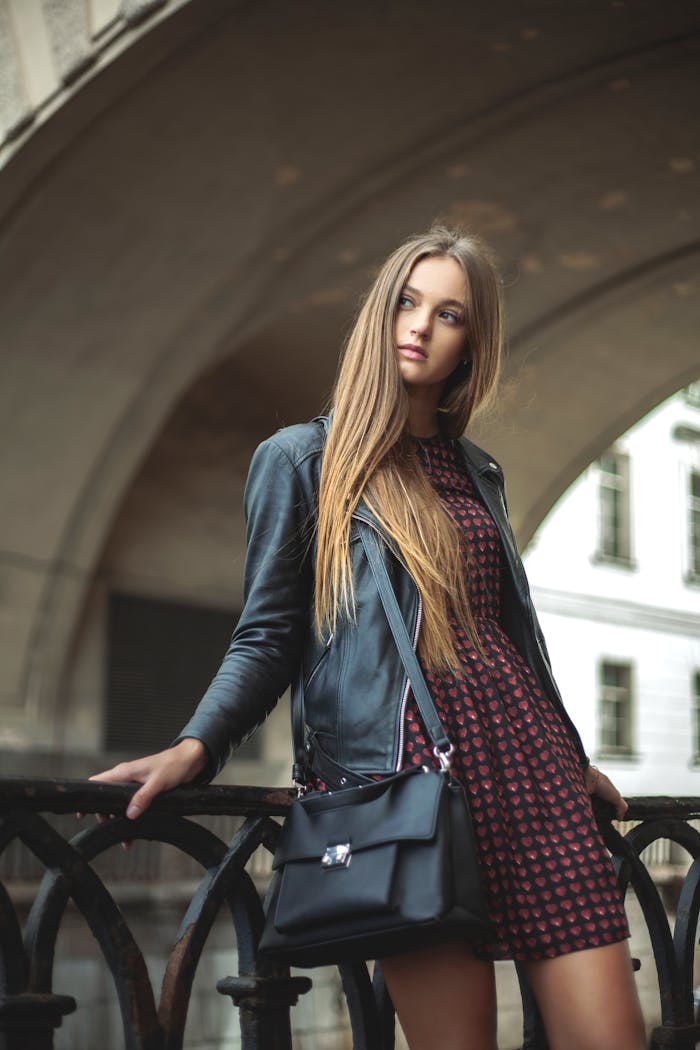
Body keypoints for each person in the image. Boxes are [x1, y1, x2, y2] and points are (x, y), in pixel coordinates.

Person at [92, 227, 646, 1050]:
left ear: (470, 343)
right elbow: (270, 634)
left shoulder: (477, 470)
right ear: (378, 316)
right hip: (407, 788)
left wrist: (569, 754)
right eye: (406, 302)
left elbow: (511, 632)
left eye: (449, 312)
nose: (419, 325)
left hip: (532, 776)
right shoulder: (302, 461)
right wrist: (196, 745)